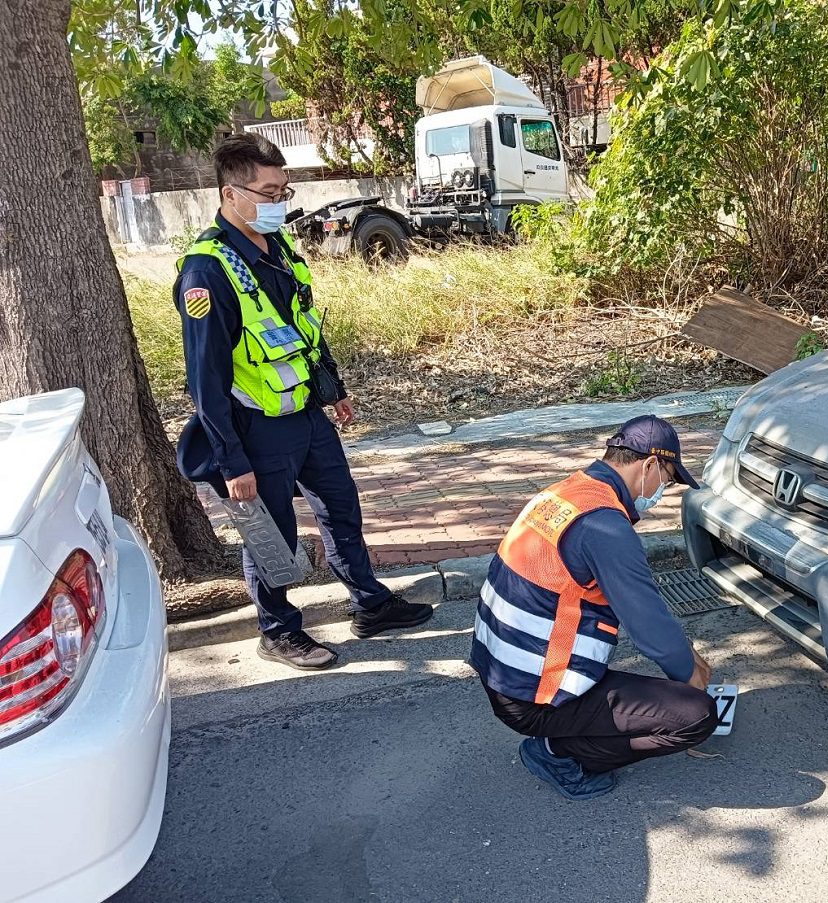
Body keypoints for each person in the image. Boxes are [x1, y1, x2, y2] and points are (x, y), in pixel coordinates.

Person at [174, 133, 432, 671]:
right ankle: (278, 631)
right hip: (256, 425)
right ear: (231, 195)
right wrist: (231, 461)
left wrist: (332, 389)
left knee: (342, 509)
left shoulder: (281, 251)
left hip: (308, 417)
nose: (279, 202)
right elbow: (206, 378)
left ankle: (370, 604)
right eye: (268, 193)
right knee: (273, 536)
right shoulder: (208, 270)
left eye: (283, 191)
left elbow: (304, 329)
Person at [471, 415, 719, 800]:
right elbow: (648, 624)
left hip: (502, 674)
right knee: (696, 715)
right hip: (533, 696)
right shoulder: (605, 527)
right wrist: (689, 675)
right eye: (667, 481)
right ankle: (556, 752)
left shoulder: (563, 495)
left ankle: (562, 733)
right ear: (650, 465)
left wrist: (686, 654)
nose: (661, 492)